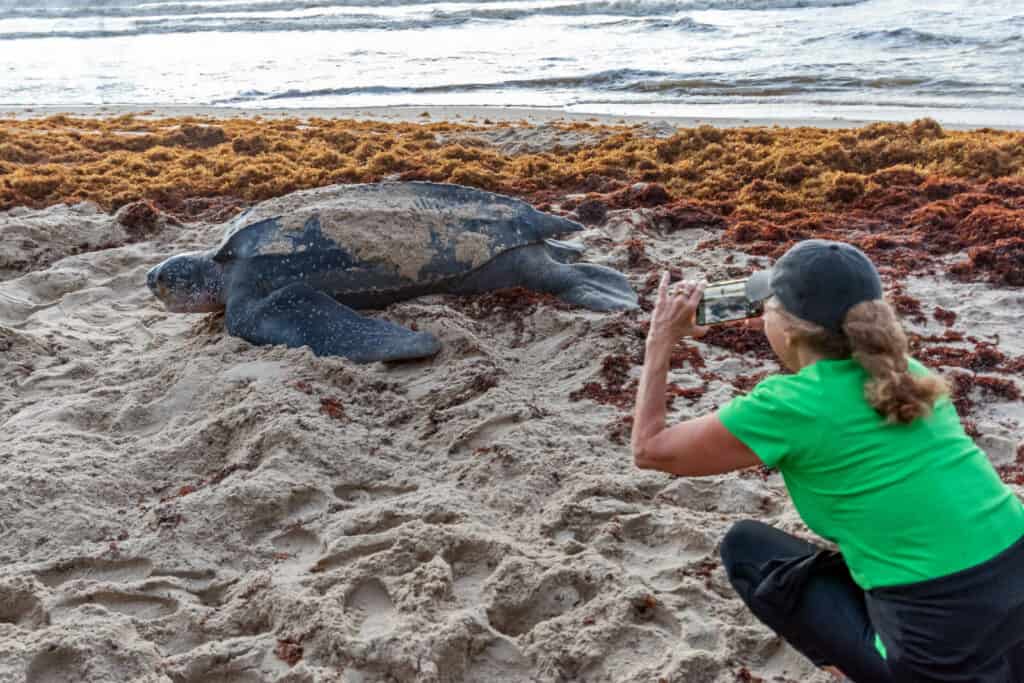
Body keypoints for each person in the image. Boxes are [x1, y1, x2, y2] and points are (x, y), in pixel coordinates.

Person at [630, 239, 1024, 682]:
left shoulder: (791, 405)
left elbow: (650, 449)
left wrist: (659, 339)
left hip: (940, 658)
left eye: (768, 306)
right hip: (1016, 598)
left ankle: (857, 666)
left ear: (791, 329)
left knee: (748, 551)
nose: (761, 314)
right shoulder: (909, 375)